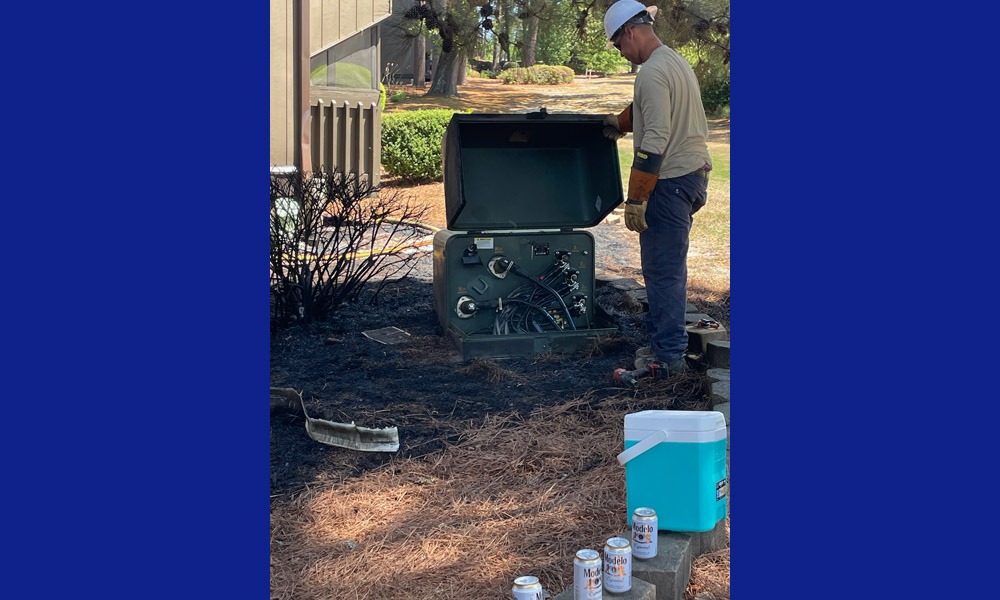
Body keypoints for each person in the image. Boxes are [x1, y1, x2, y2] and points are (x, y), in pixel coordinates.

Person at [602, 0, 713, 375]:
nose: (621, 53)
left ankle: (668, 359)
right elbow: (650, 110)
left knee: (663, 271)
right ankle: (664, 346)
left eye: (618, 45)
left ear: (630, 32)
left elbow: (657, 137)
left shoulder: (649, 73)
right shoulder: (673, 61)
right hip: (693, 178)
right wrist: (618, 122)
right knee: (666, 268)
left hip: (669, 183)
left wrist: (637, 197)